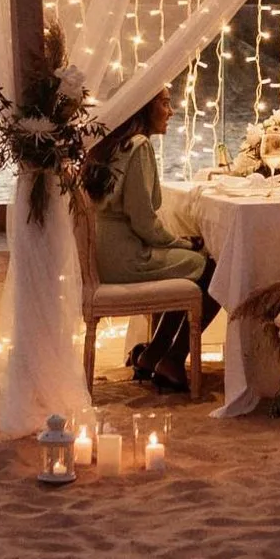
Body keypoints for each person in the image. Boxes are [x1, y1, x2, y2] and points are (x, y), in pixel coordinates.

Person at [83, 84, 211, 393]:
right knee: (210, 266)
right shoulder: (138, 147)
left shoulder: (110, 144)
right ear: (144, 108)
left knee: (189, 264)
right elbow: (143, 222)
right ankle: (174, 357)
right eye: (165, 103)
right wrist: (182, 243)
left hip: (104, 252)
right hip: (126, 259)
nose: (171, 111)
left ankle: (155, 352)